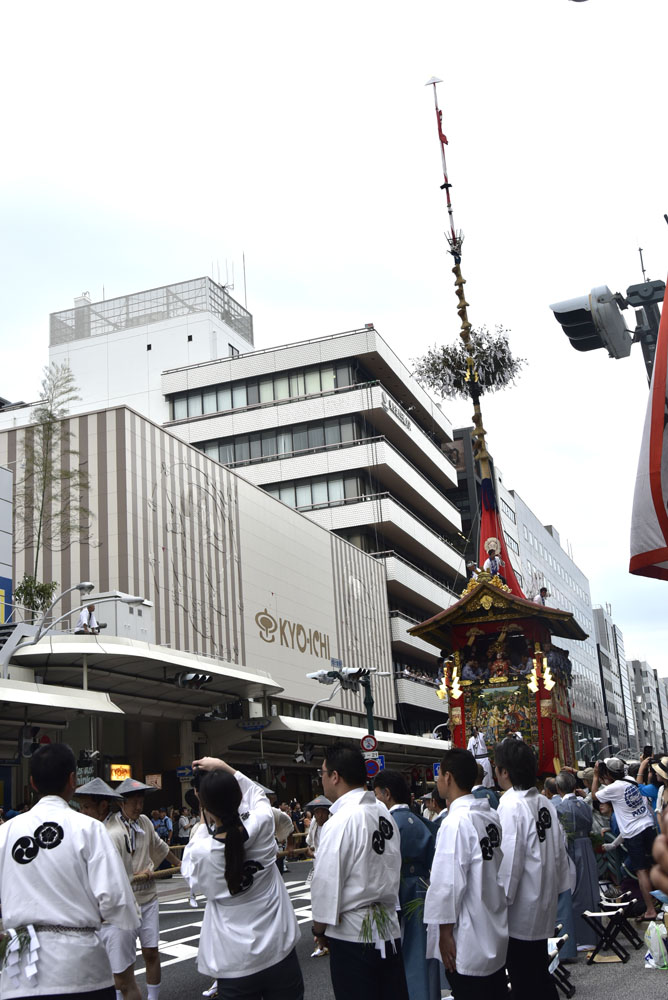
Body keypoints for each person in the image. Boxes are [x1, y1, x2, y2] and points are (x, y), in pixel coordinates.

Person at [0, 743, 139, 999]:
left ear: (32, 783)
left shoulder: (5, 832)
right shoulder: (90, 828)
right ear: (72, 780)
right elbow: (117, 900)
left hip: (17, 974)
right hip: (80, 969)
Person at [181, 756, 303, 999]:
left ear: (201, 800)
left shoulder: (199, 851)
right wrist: (225, 767)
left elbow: (193, 876)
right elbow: (256, 793)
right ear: (238, 798)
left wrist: (204, 804)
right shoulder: (263, 823)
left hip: (234, 962)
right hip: (279, 951)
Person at [310, 743, 410, 1000]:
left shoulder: (341, 821)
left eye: (322, 773)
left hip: (353, 935)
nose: (321, 779)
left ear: (335, 776)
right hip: (389, 928)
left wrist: (319, 931)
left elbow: (325, 886)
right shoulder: (384, 813)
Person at [425, 748, 508, 1000]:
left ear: (448, 777)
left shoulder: (455, 822)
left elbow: (447, 883)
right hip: (493, 921)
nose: (438, 781)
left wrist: (444, 933)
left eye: (439, 775)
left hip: (468, 932)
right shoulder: (489, 815)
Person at [495, 738, 570, 1000]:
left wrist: (499, 903)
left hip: (520, 911)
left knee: (525, 981)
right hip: (543, 902)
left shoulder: (511, 805)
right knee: (539, 976)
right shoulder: (545, 802)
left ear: (504, 771)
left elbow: (509, 862)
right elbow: (560, 853)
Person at [107, 778, 182, 1000]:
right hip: (124, 900)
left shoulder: (145, 823)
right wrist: (135, 875)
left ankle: (153, 998)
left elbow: (160, 846)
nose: (139, 807)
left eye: (141, 802)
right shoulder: (111, 829)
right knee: (123, 961)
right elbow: (111, 868)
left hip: (148, 896)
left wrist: (179, 864)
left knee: (151, 952)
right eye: (134, 802)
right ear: (121, 803)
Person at [373, 770, 439, 1000]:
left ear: (387, 794)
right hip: (423, 888)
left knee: (400, 950)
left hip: (398, 890)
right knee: (422, 948)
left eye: (376, 794)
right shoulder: (421, 821)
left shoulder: (386, 823)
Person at [74, 777, 142, 1000]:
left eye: (86, 806)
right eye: (81, 806)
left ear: (103, 806)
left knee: (122, 981)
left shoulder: (109, 833)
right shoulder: (101, 829)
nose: (82, 811)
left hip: (115, 916)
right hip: (105, 916)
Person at [592, 757, 658, 920]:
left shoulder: (613, 788)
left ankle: (650, 910)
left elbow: (594, 796)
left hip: (634, 834)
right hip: (648, 826)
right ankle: (660, 902)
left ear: (608, 773)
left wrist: (595, 776)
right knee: (656, 866)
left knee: (641, 871)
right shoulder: (629, 780)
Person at [554, 771, 598, 949]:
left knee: (576, 890)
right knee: (590, 890)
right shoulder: (583, 805)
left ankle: (580, 937)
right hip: (587, 845)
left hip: (572, 848)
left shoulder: (560, 808)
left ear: (558, 789)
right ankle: (594, 934)